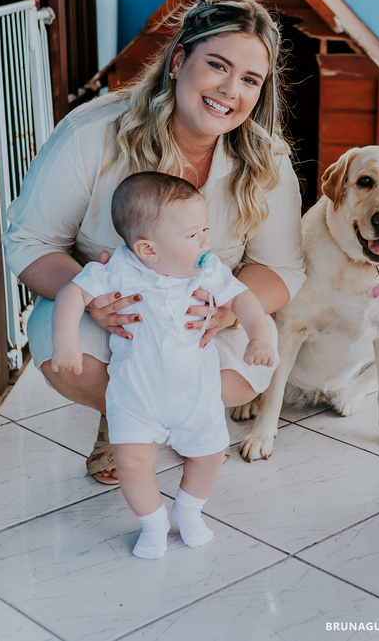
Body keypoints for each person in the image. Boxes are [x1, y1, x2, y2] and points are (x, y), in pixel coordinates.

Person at [4, 0, 306, 484]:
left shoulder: (267, 159)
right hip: (113, 316)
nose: (230, 90)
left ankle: (192, 423)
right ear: (179, 60)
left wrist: (230, 310)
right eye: (217, 66)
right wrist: (89, 294)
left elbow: (283, 268)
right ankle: (126, 425)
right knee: (71, 362)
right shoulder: (92, 133)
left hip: (198, 324)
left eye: (250, 79)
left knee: (243, 377)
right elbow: (29, 242)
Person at [51, 173, 274, 558]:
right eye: (192, 235)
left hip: (196, 396)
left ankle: (189, 512)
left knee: (207, 456)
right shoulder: (118, 269)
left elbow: (244, 300)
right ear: (148, 250)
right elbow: (73, 294)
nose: (205, 240)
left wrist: (259, 336)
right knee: (133, 462)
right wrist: (65, 343)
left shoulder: (208, 270)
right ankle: (153, 524)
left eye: (204, 229)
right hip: (136, 397)